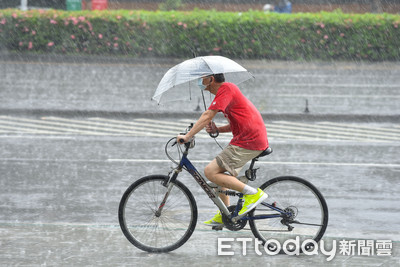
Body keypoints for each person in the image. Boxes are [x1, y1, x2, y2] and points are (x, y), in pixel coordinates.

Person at [177, 73, 269, 227]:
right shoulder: (226, 91)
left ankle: (253, 194)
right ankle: (225, 213)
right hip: (247, 138)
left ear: (211, 79)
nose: (199, 81)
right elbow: (238, 122)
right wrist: (217, 129)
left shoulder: (226, 88)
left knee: (210, 172)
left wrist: (187, 136)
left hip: (249, 140)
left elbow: (207, 115)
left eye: (202, 78)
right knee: (218, 174)